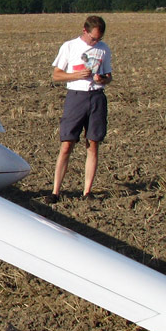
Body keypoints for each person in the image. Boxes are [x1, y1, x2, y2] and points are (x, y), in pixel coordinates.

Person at [47, 15, 113, 203]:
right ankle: (56, 191)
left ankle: (87, 191)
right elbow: (56, 76)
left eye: (99, 39)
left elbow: (109, 76)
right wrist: (77, 75)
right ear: (85, 31)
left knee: (93, 144)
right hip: (76, 97)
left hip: (97, 97)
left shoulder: (104, 49)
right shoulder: (69, 46)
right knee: (67, 144)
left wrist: (103, 79)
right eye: (93, 38)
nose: (96, 42)